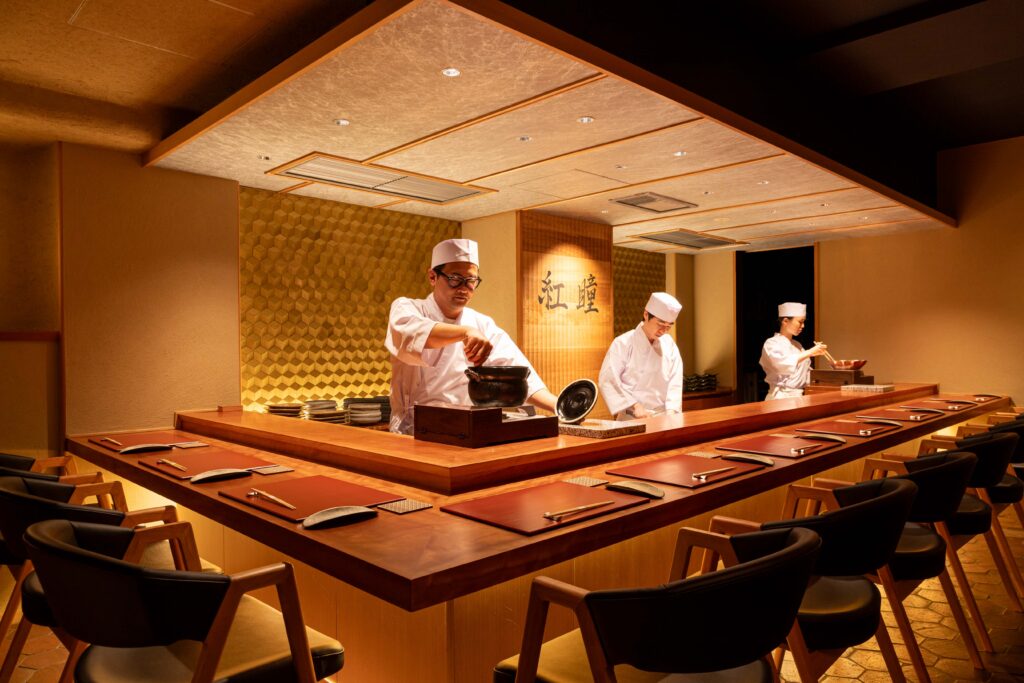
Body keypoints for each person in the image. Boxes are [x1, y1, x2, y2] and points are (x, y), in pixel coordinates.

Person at [385, 238, 558, 434]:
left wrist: (559, 406)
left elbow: (518, 373)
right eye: (455, 278)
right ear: (433, 277)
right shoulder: (407, 308)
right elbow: (418, 335)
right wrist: (465, 332)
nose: (463, 288)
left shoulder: (482, 324)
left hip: (464, 430)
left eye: (471, 281)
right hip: (413, 432)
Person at [599, 292, 684, 420]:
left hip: (664, 418)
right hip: (631, 417)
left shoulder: (669, 344)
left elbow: (675, 382)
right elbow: (608, 378)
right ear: (646, 314)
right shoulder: (623, 343)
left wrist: (672, 415)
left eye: (668, 327)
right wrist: (635, 406)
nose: (663, 331)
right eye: (660, 324)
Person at [759, 302, 828, 400]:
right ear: (785, 321)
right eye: (800, 322)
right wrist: (809, 352)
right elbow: (782, 365)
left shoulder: (797, 345)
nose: (803, 326)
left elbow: (805, 374)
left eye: (804, 322)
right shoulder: (771, 343)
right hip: (780, 398)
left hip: (799, 396)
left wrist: (830, 375)